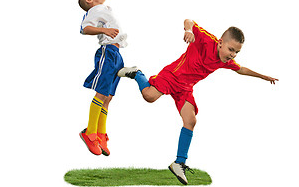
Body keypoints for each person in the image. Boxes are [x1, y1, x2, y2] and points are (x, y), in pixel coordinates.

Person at [117, 19, 278, 185]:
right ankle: (137, 74)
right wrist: (189, 31)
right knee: (149, 97)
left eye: (237, 52)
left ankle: (179, 163)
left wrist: (263, 77)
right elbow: (189, 21)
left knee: (191, 121)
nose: (232, 55)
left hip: (186, 87)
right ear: (221, 43)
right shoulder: (207, 40)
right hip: (173, 76)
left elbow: (241, 69)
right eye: (231, 49)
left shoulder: (227, 61)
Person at [78, 0, 127, 156]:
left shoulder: (104, 9)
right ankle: (89, 132)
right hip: (107, 52)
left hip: (116, 54)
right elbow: (84, 28)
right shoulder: (94, 10)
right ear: (90, 0)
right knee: (101, 93)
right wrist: (104, 31)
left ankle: (100, 134)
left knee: (109, 96)